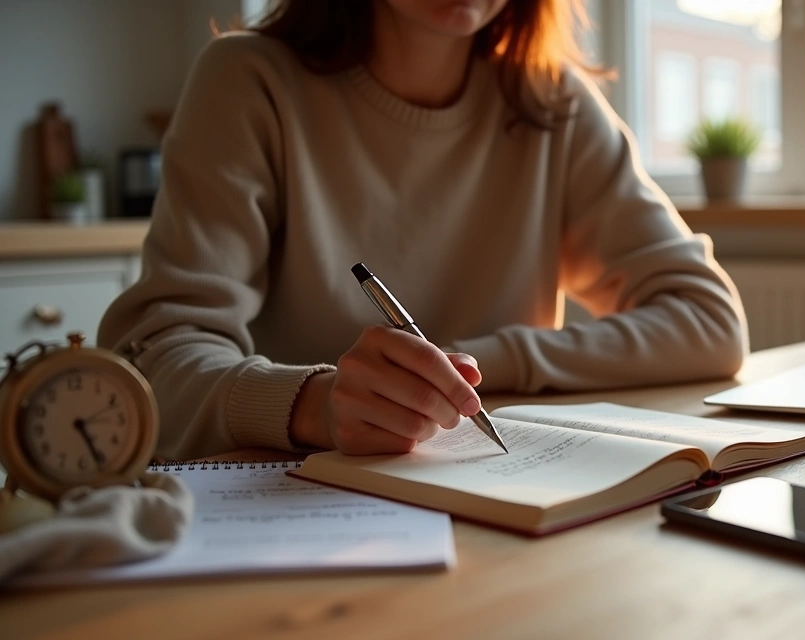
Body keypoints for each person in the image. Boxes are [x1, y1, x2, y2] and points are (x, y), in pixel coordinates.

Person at [99, 0, 748, 461]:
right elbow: (151, 368)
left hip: (498, 510)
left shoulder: (554, 105)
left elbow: (709, 321)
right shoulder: (249, 82)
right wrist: (316, 403)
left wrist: (471, 365)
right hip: (297, 520)